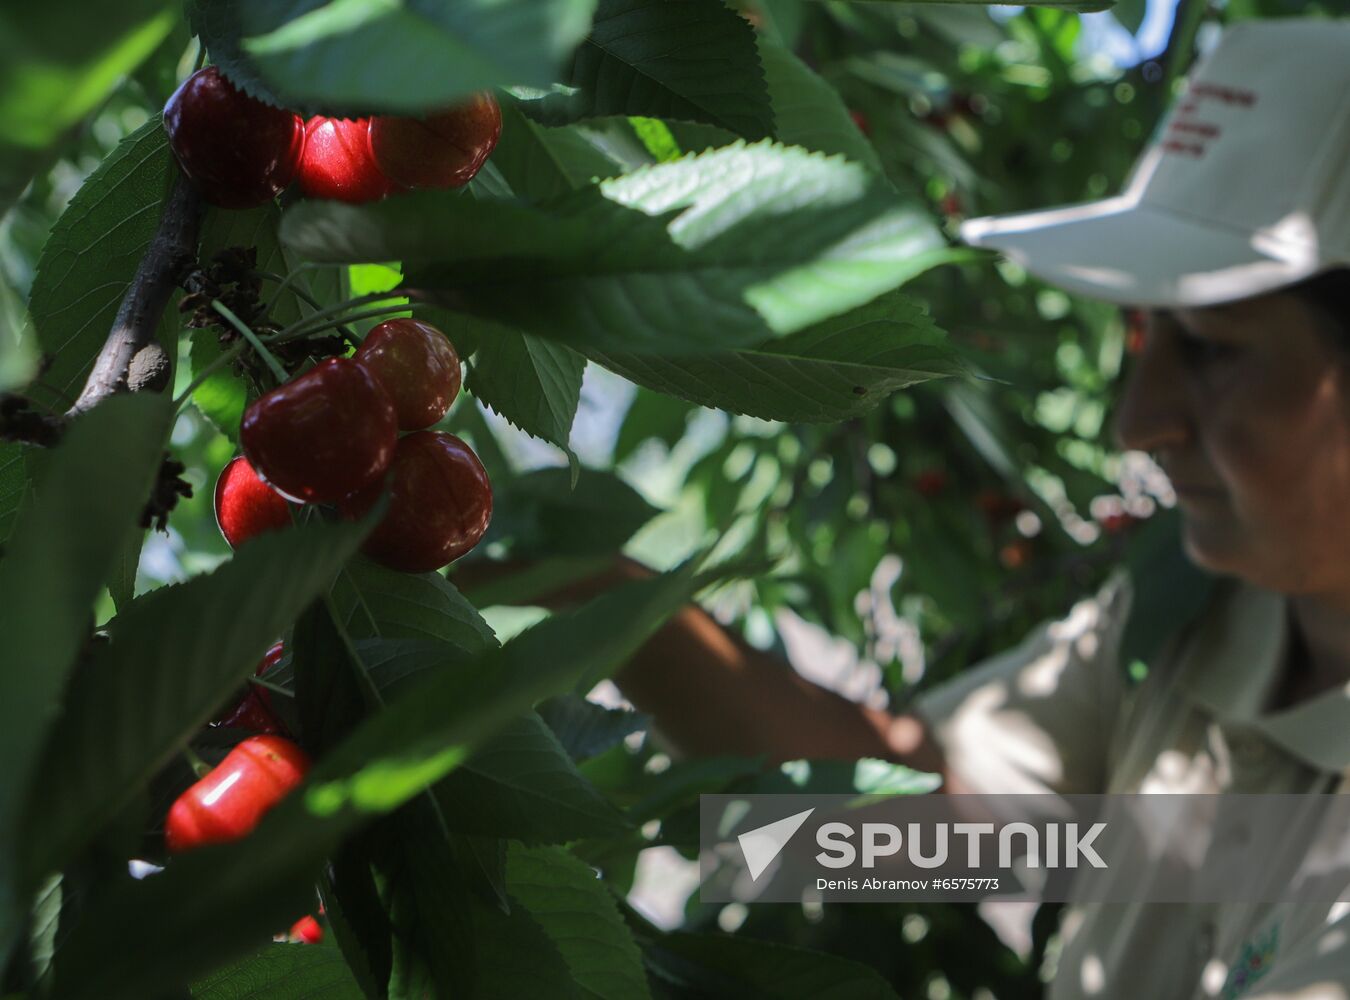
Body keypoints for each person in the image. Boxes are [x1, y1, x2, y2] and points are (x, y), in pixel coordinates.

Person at [465, 17, 1350, 999]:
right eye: (1149, 340)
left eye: (1215, 349)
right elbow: (909, 835)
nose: (1139, 420)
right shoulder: (1191, 627)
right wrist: (588, 584)